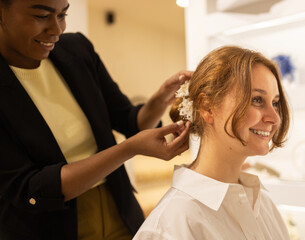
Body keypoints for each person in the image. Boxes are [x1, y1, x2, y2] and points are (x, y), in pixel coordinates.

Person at [0, 0, 192, 239]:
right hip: (46, 227)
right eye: (41, 16)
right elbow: (30, 188)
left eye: (62, 14)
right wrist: (128, 149)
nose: (57, 29)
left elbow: (130, 121)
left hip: (119, 210)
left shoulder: (77, 51)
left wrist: (162, 97)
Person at [133, 46, 291, 240]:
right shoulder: (169, 227)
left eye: (275, 102)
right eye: (257, 99)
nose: (274, 118)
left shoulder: (263, 204)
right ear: (207, 107)